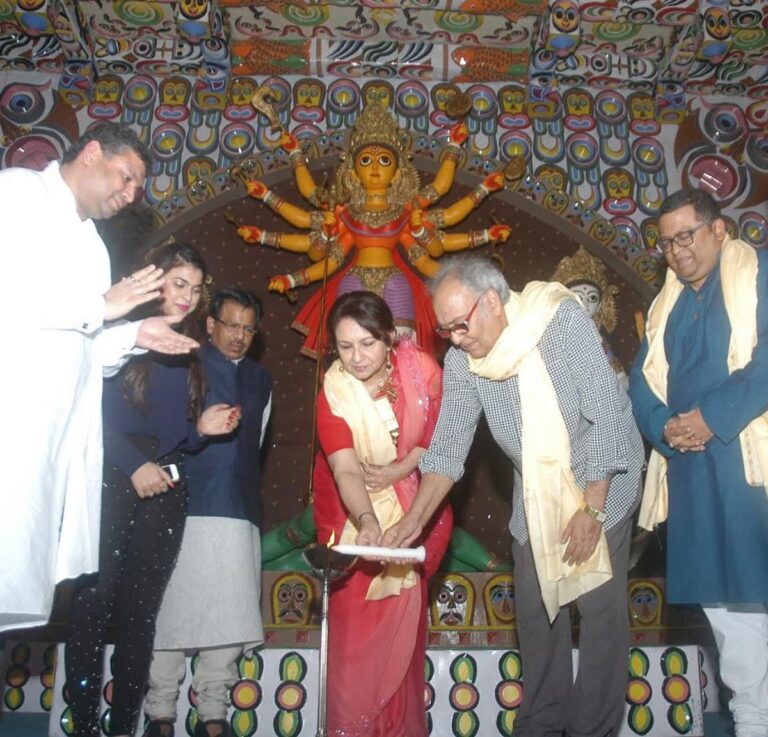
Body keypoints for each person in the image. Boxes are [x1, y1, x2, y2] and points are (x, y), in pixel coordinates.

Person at [382, 255, 644, 737]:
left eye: (460, 325)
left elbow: (606, 413)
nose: (456, 339)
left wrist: (592, 508)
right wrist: (412, 521)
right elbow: (448, 447)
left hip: (602, 473)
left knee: (598, 608)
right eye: (446, 331)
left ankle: (595, 730)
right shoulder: (463, 359)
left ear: (491, 303)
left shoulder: (559, 320)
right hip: (537, 492)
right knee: (536, 608)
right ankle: (541, 725)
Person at [0, 123, 198, 633]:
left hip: (46, 444)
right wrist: (102, 306)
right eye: (126, 177)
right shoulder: (20, 194)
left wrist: (135, 335)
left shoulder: (93, 247)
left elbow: (81, 349)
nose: (130, 196)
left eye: (136, 188)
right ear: (90, 153)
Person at [65, 244, 241, 737]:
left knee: (143, 614)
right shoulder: (116, 337)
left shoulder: (192, 351)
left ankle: (124, 728)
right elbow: (84, 412)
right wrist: (132, 463)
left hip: (166, 483)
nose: (188, 296)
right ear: (154, 281)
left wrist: (202, 429)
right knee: (95, 601)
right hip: (113, 475)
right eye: (179, 283)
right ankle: (84, 727)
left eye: (196, 287)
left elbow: (174, 436)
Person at [629, 189, 768, 737]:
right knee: (732, 629)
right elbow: (640, 380)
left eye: (686, 235)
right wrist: (663, 424)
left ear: (719, 230)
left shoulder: (757, 277)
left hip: (751, 475)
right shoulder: (667, 305)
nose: (676, 250)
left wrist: (713, 415)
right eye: (666, 242)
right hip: (693, 478)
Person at [236, 102, 510, 358]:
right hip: (354, 278)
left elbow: (435, 238)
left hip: (396, 280)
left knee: (403, 349)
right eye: (366, 161)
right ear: (353, 171)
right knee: (350, 342)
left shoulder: (406, 211)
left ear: (398, 171)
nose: (376, 168)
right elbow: (319, 244)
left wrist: (458, 154)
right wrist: (291, 277)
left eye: (384, 161)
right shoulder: (343, 211)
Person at [313, 291, 453, 737]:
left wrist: (401, 467)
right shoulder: (334, 392)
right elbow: (345, 467)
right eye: (345, 346)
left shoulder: (424, 373)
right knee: (354, 646)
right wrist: (367, 521)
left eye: (367, 344)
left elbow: (443, 440)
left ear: (390, 337)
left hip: (412, 517)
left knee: (400, 639)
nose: (356, 357)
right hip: (352, 527)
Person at [142, 288, 273, 737]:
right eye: (230, 325)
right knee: (171, 611)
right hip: (185, 502)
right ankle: (159, 711)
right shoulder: (182, 362)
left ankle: (213, 714)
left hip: (238, 509)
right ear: (210, 324)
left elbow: (254, 446)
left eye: (248, 328)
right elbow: (160, 434)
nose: (238, 336)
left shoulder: (261, 380)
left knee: (229, 610)